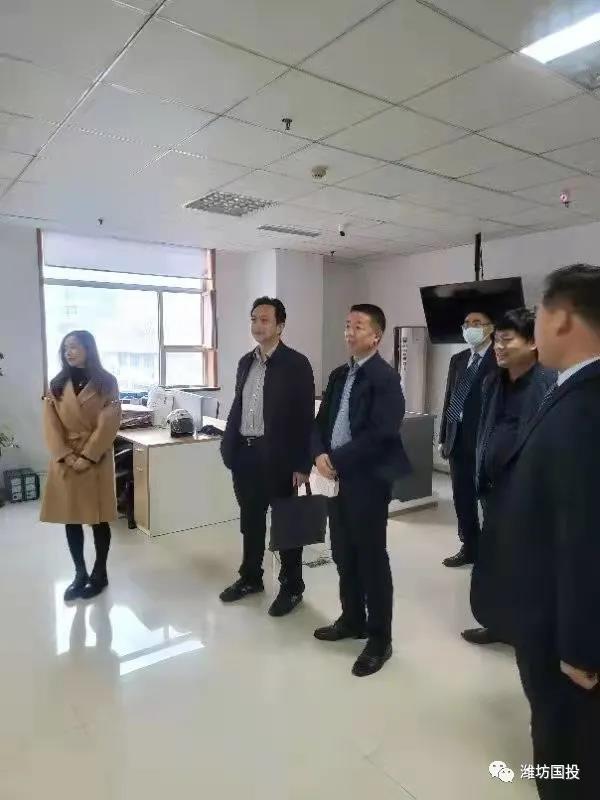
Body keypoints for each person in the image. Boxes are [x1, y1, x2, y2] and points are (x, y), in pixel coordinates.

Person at [472, 265, 600, 799]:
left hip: (562, 633)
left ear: (562, 318)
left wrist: (581, 647)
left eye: (540, 314)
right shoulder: (570, 387)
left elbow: (587, 533)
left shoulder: (586, 405)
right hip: (543, 608)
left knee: (567, 750)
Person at [312, 304, 410, 677]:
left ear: (376, 336)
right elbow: (320, 421)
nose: (350, 332)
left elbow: (381, 434)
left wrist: (336, 459)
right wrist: (319, 453)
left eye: (358, 326)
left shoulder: (385, 378)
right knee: (343, 552)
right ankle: (352, 619)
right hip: (335, 478)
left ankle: (380, 639)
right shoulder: (340, 374)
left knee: (370, 557)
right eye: (347, 325)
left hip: (367, 480)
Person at [464, 308, 555, 646]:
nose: (498, 347)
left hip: (529, 494)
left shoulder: (549, 384)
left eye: (506, 340)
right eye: (496, 341)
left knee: (526, 566)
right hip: (494, 490)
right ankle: (497, 624)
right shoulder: (493, 381)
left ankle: (526, 631)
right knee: (495, 562)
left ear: (532, 343)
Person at [220, 297, 315, 617]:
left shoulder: (296, 364)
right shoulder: (245, 362)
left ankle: (292, 587)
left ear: (280, 326)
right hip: (245, 455)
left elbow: (305, 418)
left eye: (264, 320)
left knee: (286, 524)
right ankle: (251, 577)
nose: (257, 325)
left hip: (281, 458)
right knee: (251, 521)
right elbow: (239, 405)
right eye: (253, 319)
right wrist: (230, 448)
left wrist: (303, 464)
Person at [41, 331, 121, 602]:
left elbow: (110, 421)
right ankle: (79, 573)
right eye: (65, 348)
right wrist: (65, 455)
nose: (69, 352)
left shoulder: (106, 382)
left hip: (95, 458)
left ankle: (100, 573)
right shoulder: (56, 384)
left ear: (88, 348)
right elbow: (50, 424)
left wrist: (87, 456)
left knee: (98, 519)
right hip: (66, 459)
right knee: (71, 517)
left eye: (74, 346)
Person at [439, 310, 495, 567]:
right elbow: (449, 399)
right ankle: (469, 546)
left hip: (485, 441)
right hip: (457, 439)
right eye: (467, 323)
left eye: (477, 323)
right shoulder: (458, 360)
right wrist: (444, 436)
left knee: (489, 499)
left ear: (490, 328)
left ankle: (493, 551)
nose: (470, 327)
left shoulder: (499, 359)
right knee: (462, 498)